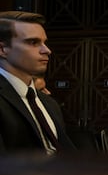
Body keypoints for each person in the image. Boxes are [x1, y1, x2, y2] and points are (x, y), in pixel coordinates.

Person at [0, 10, 75, 153]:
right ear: (3, 49)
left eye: (44, 43)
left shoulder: (49, 103)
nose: (47, 50)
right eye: (33, 42)